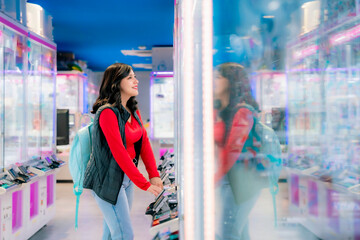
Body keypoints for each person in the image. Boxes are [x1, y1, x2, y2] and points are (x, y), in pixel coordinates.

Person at [83, 63, 163, 240]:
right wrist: (145, 184)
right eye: (130, 78)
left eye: (134, 76)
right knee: (124, 234)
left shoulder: (132, 110)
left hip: (125, 179)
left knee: (112, 232)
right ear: (116, 83)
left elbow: (144, 143)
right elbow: (119, 153)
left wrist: (153, 174)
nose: (136, 81)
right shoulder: (107, 113)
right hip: (107, 179)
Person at [213, 62, 261, 240]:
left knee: (229, 233)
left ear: (231, 82)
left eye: (219, 77)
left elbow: (233, 151)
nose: (214, 81)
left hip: (241, 181)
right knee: (238, 232)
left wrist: (213, 179)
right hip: (231, 180)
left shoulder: (242, 112)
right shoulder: (225, 110)